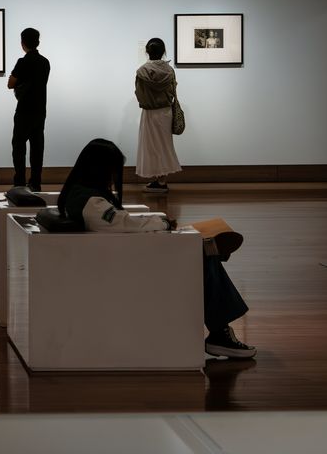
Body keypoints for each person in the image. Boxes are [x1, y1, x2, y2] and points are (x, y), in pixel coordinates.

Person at [57, 138, 256, 360]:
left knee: (201, 253)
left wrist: (157, 220)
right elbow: (124, 224)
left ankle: (208, 252)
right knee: (201, 258)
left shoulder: (78, 194)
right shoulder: (92, 203)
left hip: (114, 260)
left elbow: (121, 223)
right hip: (123, 269)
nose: (113, 179)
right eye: (112, 171)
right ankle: (219, 330)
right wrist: (161, 223)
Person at [135, 37, 181, 193]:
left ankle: (155, 179)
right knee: (164, 145)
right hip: (165, 112)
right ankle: (162, 181)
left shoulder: (142, 71)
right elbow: (173, 90)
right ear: (163, 52)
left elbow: (139, 93)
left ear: (147, 51)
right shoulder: (170, 71)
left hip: (149, 112)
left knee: (151, 146)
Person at [8, 27, 50, 190]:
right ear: (37, 42)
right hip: (40, 110)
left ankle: (19, 183)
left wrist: (19, 83)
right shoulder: (45, 62)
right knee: (37, 148)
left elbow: (11, 83)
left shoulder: (23, 62)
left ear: (23, 43)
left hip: (24, 109)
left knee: (18, 147)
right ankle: (35, 183)